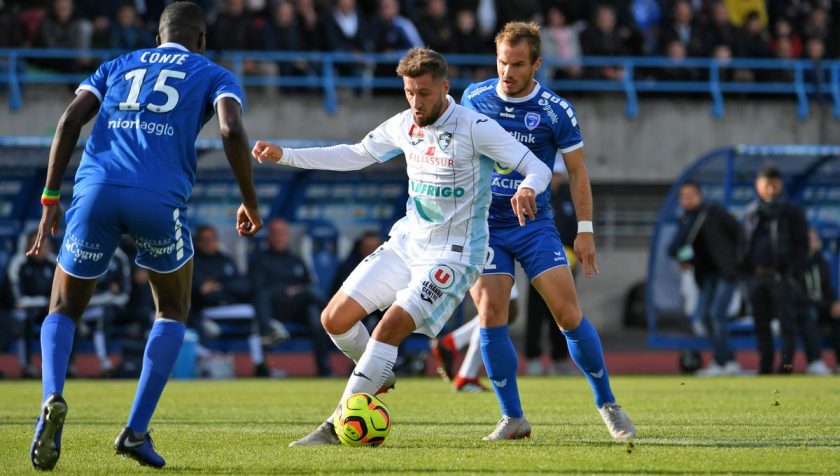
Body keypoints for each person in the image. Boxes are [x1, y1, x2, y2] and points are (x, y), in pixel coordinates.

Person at [252, 46, 552, 446]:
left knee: (388, 328)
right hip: (407, 242)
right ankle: (379, 370)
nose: (416, 102)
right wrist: (286, 155)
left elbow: (537, 165)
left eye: (424, 93)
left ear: (445, 87)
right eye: (409, 92)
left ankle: (334, 424)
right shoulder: (403, 125)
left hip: (453, 254)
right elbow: (356, 154)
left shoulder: (475, 127)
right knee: (334, 320)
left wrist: (529, 186)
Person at [27, 2, 261, 470]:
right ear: (200, 40)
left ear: (157, 38)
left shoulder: (117, 64)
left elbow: (70, 120)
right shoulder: (214, 73)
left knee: (63, 307)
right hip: (157, 200)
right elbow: (232, 128)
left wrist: (51, 196)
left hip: (95, 192)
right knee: (172, 309)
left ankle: (51, 397)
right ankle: (135, 431)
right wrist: (249, 199)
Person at [460, 21, 635, 441]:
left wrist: (585, 229)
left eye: (518, 64)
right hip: (486, 224)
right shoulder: (473, 98)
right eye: (503, 62)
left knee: (567, 314)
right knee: (490, 314)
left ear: (536, 64)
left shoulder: (556, 111)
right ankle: (513, 417)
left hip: (534, 225)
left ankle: (608, 403)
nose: (508, 72)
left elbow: (577, 173)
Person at [667, 180, 742, 376]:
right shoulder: (685, 219)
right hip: (706, 275)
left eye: (691, 195)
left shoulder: (713, 211)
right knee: (703, 317)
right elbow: (676, 247)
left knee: (717, 315)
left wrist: (737, 262)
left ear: (700, 195)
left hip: (726, 272)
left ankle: (728, 362)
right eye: (683, 196)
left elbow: (738, 233)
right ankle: (722, 360)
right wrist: (686, 259)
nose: (687, 200)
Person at [740, 165, 808, 375]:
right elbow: (743, 245)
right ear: (757, 186)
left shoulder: (791, 212)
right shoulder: (751, 212)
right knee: (761, 325)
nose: (769, 189)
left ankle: (786, 367)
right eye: (765, 184)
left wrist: (793, 275)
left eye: (774, 184)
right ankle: (765, 367)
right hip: (756, 277)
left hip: (782, 277)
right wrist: (745, 274)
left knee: (787, 325)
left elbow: (801, 245)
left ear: (780, 185)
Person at [249, 217, 333, 377]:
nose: (279, 237)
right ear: (269, 236)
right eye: (275, 233)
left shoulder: (296, 260)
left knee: (314, 314)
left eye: (283, 233)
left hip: (297, 307)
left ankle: (324, 368)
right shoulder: (260, 261)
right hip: (274, 309)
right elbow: (258, 289)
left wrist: (296, 291)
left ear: (287, 235)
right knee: (307, 296)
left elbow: (308, 283)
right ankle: (335, 310)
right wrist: (284, 291)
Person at [798, 228, 835, 375]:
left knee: (837, 317)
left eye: (816, 238)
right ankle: (815, 361)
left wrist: (834, 304)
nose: (816, 241)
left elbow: (827, 288)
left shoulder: (822, 262)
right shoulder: (796, 264)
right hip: (802, 308)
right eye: (812, 239)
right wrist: (826, 305)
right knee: (809, 315)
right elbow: (799, 296)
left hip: (822, 307)